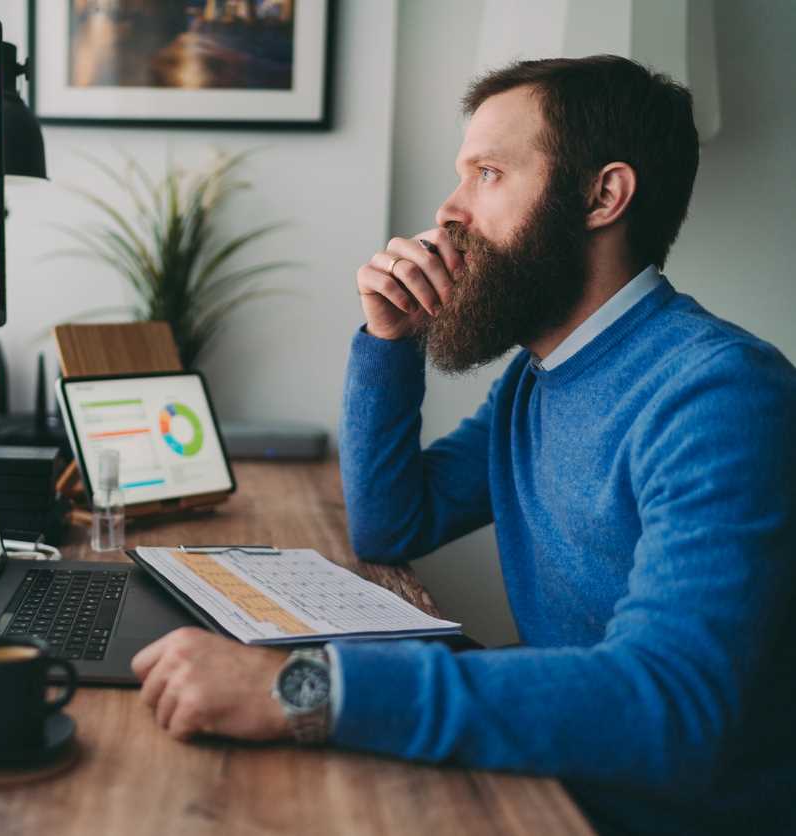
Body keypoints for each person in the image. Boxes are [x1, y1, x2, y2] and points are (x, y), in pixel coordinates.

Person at [131, 55, 796, 835]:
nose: (447, 212)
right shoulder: (539, 378)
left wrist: (308, 689)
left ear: (601, 195)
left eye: (486, 174)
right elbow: (392, 525)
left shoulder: (717, 395)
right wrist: (389, 339)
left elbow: (670, 703)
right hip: (556, 769)